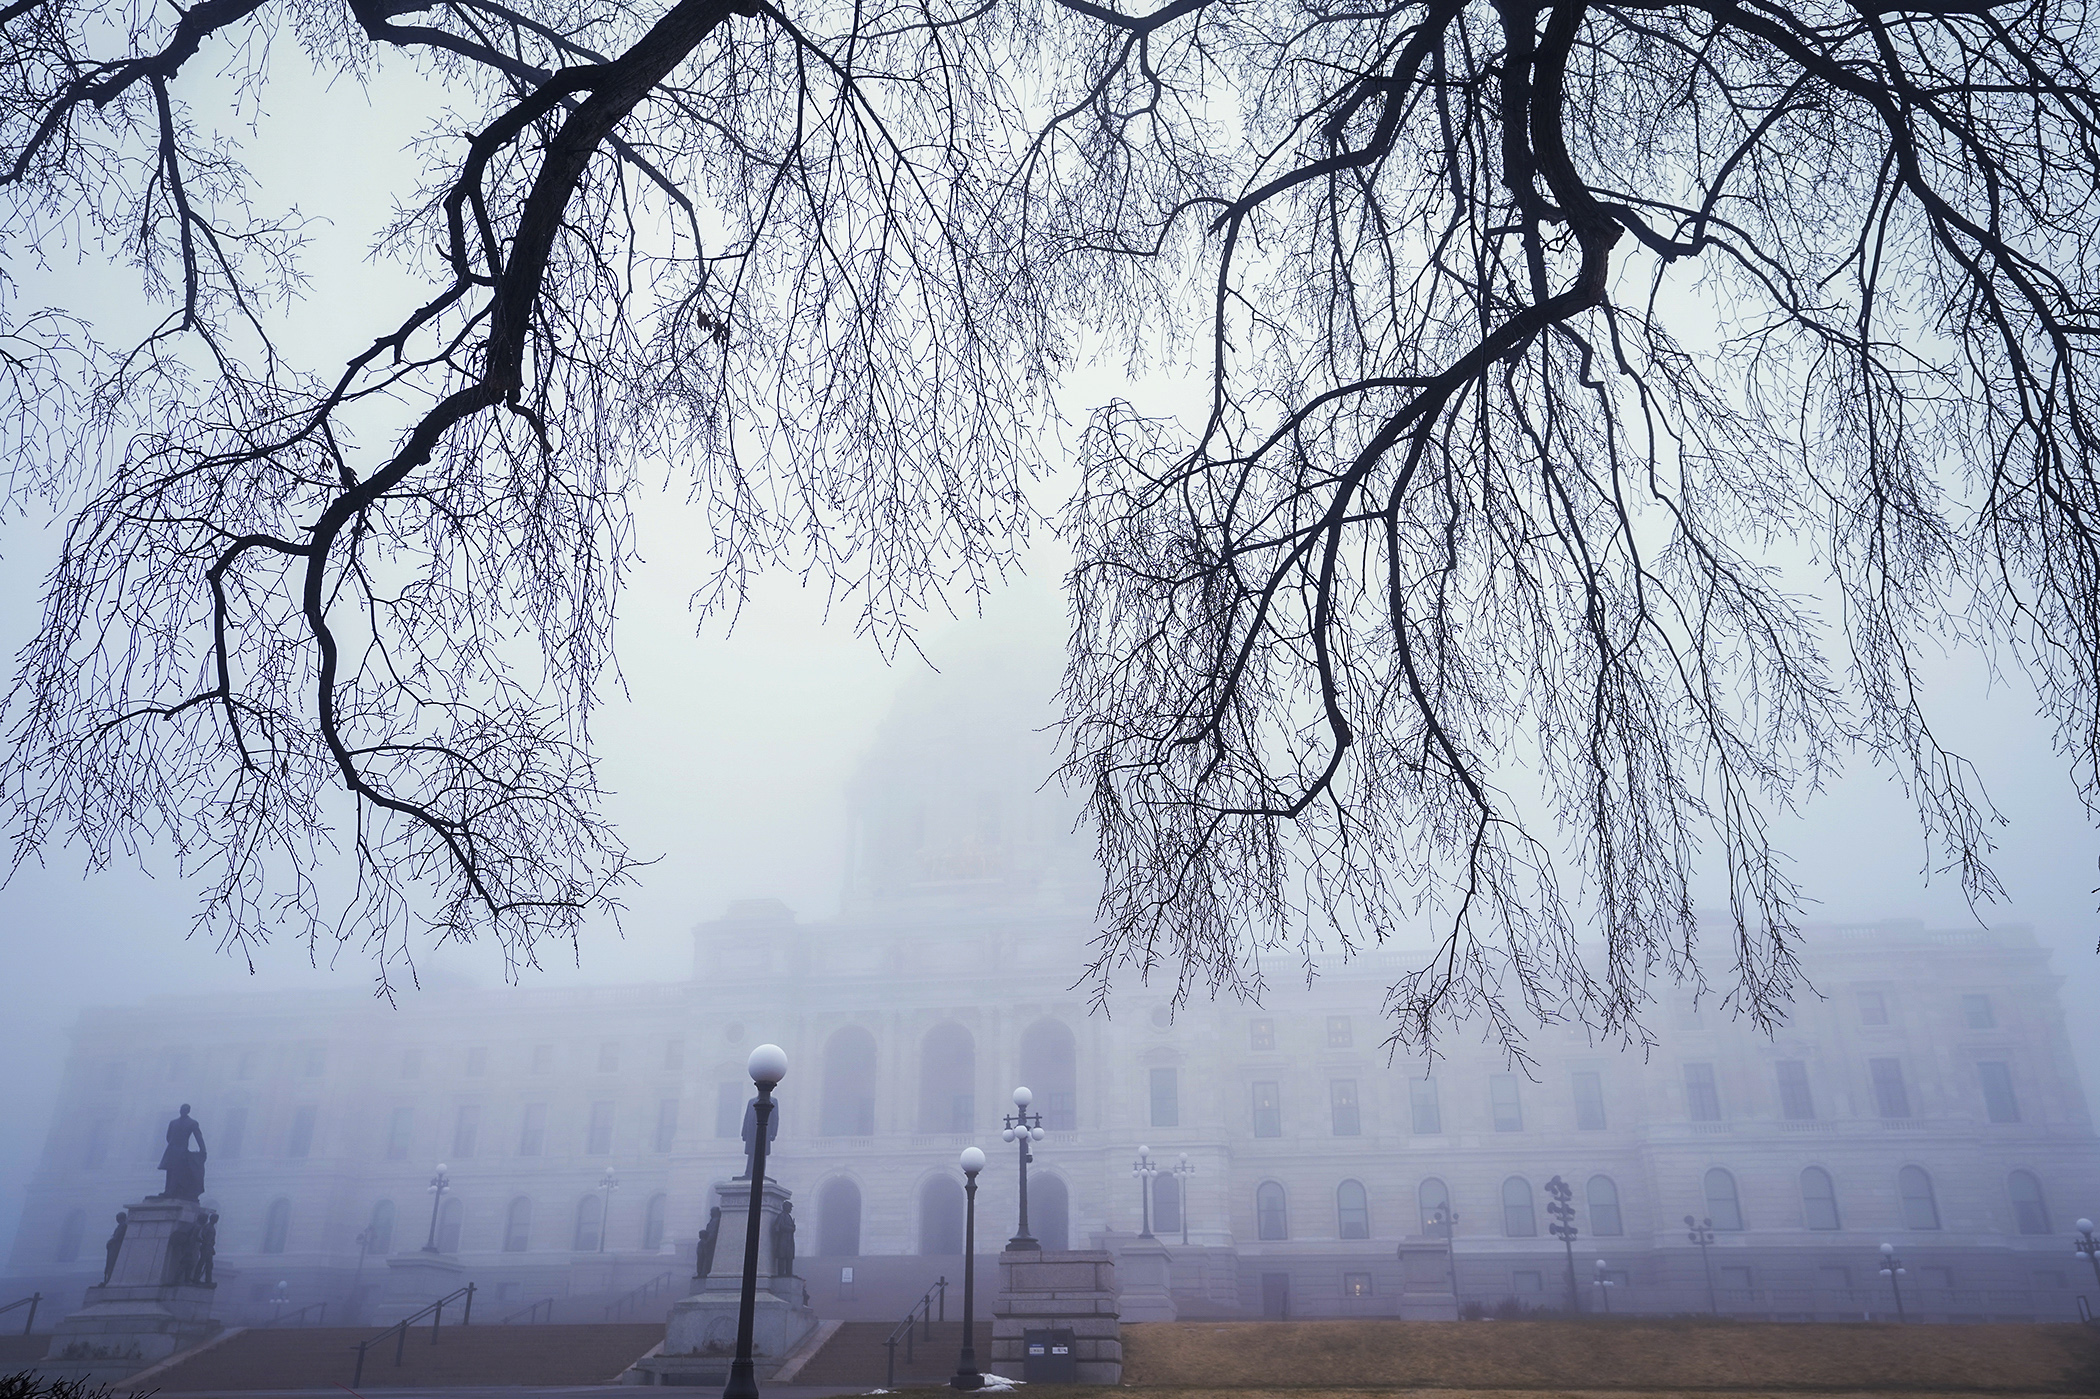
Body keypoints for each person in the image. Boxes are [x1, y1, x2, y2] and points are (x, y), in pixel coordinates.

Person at [157, 1105, 207, 1201]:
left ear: (188, 1111)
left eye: (184, 1110)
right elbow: (168, 1137)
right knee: (170, 1170)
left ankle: (172, 1191)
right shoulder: (173, 1122)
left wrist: (203, 1150)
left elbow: (198, 1137)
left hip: (180, 1150)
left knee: (177, 1170)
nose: (182, 1111)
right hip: (173, 1149)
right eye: (181, 1109)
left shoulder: (192, 1123)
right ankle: (168, 1190)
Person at [771, 1201, 796, 1279]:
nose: (791, 1209)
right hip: (783, 1240)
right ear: (786, 1207)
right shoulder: (781, 1216)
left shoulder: (788, 1216)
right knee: (782, 1257)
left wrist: (793, 1227)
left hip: (789, 1240)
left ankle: (789, 1273)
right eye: (790, 1207)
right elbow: (779, 1226)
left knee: (789, 1257)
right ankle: (781, 1273)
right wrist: (791, 1228)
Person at [101, 1211, 127, 1286]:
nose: (116, 1219)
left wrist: (110, 1242)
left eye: (118, 1217)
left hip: (116, 1248)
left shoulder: (123, 1226)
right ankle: (108, 1279)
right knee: (109, 1265)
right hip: (113, 1248)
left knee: (111, 1264)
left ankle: (109, 1279)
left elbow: (116, 1237)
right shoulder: (120, 1226)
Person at [694, 1207, 721, 1279]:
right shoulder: (712, 1221)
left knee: (707, 1259)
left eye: (711, 1211)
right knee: (701, 1258)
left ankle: (704, 1273)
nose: (710, 1213)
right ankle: (700, 1272)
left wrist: (707, 1241)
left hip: (710, 1243)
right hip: (706, 1242)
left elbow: (714, 1232)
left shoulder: (717, 1221)